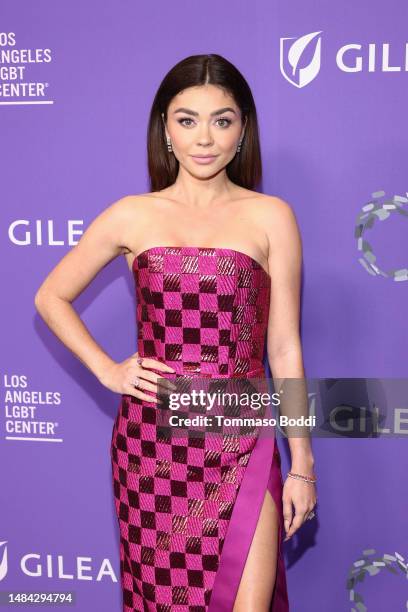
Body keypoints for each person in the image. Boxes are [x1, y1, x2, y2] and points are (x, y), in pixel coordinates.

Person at [34, 53, 317, 612]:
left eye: (222, 119)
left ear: (243, 129)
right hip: (152, 450)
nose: (204, 138)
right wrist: (108, 369)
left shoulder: (271, 216)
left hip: (242, 438)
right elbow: (51, 296)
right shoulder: (131, 215)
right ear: (164, 127)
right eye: (187, 120)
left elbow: (284, 347)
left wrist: (303, 464)